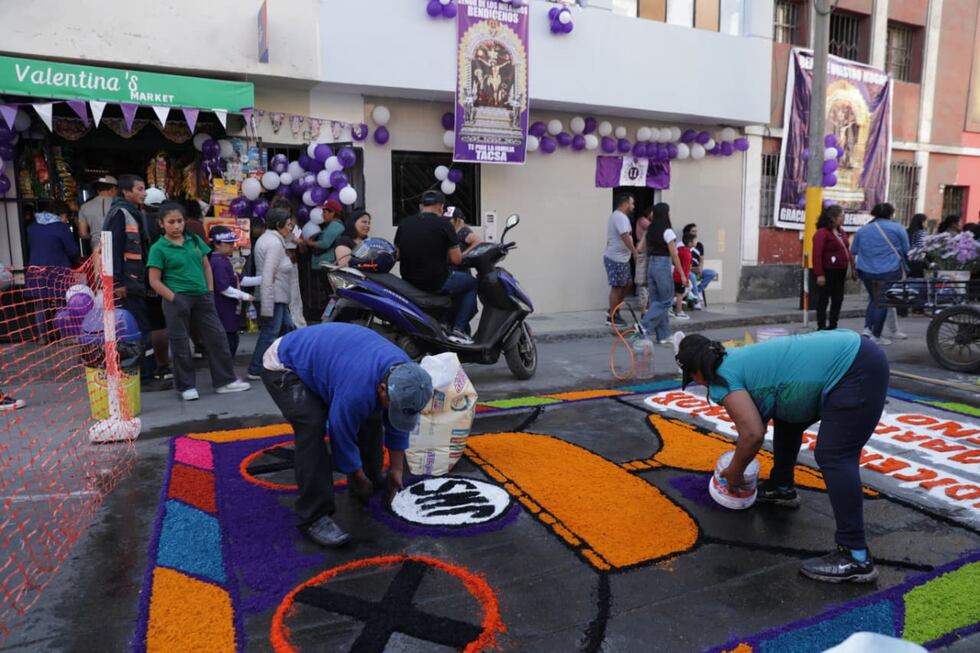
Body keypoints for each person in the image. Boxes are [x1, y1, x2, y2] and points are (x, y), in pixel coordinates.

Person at [675, 330, 888, 583]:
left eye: (693, 379)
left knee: (835, 455)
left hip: (854, 367)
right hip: (856, 354)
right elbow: (768, 407)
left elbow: (752, 434)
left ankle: (855, 555)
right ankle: (782, 487)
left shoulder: (721, 378)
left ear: (697, 372)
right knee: (788, 415)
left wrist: (734, 471)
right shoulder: (734, 357)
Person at [260, 323, 433, 547]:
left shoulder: (410, 377)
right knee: (311, 427)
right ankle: (313, 516)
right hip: (284, 364)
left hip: (330, 360)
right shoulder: (357, 390)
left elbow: (398, 421)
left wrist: (396, 471)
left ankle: (372, 477)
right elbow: (340, 433)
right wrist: (356, 474)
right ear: (382, 388)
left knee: (373, 413)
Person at [147, 202, 251, 401]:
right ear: (162, 224)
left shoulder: (194, 240)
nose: (176, 226)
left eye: (179, 221)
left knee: (217, 338)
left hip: (203, 297)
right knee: (180, 344)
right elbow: (154, 281)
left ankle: (225, 381)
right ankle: (186, 386)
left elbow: (206, 267)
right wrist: (174, 298)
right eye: (171, 222)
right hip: (176, 298)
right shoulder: (158, 248)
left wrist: (210, 292)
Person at [103, 174, 170, 389]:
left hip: (136, 281)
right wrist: (118, 282)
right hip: (128, 284)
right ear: (126, 192)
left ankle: (146, 372)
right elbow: (112, 249)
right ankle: (143, 377)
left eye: (144, 189)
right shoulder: (121, 213)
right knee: (137, 329)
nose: (144, 193)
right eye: (139, 189)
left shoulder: (132, 212)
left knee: (142, 327)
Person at [395, 190, 478, 336]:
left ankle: (444, 321)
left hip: (409, 282)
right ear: (441, 208)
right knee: (471, 283)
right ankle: (459, 328)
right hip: (436, 283)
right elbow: (456, 259)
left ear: (421, 206)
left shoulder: (404, 223)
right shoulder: (445, 225)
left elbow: (397, 255)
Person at [247, 208, 297, 380]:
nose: (290, 228)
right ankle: (256, 367)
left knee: (288, 329)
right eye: (289, 224)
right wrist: (267, 305)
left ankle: (284, 361)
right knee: (271, 332)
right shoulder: (274, 243)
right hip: (273, 296)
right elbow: (268, 275)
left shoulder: (269, 239)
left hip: (276, 296)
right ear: (278, 224)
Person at [850, 203, 909, 345]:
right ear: (891, 214)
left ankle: (867, 329)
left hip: (866, 270)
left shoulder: (863, 230)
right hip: (889, 270)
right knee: (881, 301)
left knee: (873, 299)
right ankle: (876, 335)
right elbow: (907, 249)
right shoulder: (897, 228)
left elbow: (854, 250)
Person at [25, 201, 81, 342]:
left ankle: (43, 338)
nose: (67, 220)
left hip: (36, 270)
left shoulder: (32, 228)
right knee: (62, 303)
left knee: (40, 304)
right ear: (61, 214)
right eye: (66, 216)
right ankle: (65, 336)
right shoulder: (61, 228)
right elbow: (72, 251)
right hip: (58, 270)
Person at [639, 203, 688, 344]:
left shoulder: (650, 230)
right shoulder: (668, 231)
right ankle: (644, 325)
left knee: (657, 301)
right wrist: (682, 274)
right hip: (662, 265)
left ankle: (663, 334)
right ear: (666, 214)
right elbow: (674, 254)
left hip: (651, 265)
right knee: (666, 301)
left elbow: (641, 249)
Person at [209, 226, 260, 357]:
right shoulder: (218, 262)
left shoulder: (224, 260)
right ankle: (226, 374)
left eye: (233, 243)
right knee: (228, 343)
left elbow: (240, 279)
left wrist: (263, 279)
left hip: (229, 311)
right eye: (228, 243)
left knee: (231, 340)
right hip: (223, 310)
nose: (232, 246)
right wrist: (245, 295)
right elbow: (223, 287)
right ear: (216, 244)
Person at [142, 187, 174, 384]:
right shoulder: (165, 224)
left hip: (145, 278)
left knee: (153, 325)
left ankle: (154, 364)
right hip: (167, 279)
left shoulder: (140, 220)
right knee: (161, 325)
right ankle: (163, 364)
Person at [811, 205, 855, 331]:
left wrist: (852, 268)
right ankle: (821, 326)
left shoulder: (841, 232)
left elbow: (846, 249)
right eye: (841, 216)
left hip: (841, 271)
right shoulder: (822, 233)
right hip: (827, 270)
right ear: (832, 217)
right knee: (824, 299)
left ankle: (833, 325)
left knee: (838, 298)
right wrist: (819, 274)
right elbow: (817, 254)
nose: (843, 218)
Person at [603, 194, 638, 327]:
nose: (633, 206)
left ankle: (614, 310)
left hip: (622, 259)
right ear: (625, 204)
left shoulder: (620, 217)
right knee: (617, 287)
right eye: (632, 203)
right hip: (615, 258)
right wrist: (634, 252)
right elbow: (625, 236)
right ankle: (612, 317)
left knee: (627, 284)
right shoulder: (619, 217)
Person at [77, 175, 117, 253]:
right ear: (112, 189)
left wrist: (95, 235)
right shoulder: (120, 205)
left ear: (98, 190)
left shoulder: (85, 207)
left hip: (97, 248)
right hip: (118, 245)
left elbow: (83, 234)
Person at [682, 223, 718, 309]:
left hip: (697, 269)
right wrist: (694, 269)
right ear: (688, 232)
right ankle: (696, 299)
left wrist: (700, 269)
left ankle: (697, 291)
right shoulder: (682, 245)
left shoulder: (699, 245)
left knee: (712, 273)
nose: (695, 233)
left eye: (696, 231)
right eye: (693, 231)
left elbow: (701, 259)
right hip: (688, 270)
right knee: (693, 276)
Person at [307, 199, 346, 269]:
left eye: (324, 212)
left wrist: (310, 243)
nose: (322, 215)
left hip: (326, 265)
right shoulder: (331, 225)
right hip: (323, 264)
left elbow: (325, 244)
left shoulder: (335, 225)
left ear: (332, 213)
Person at [671, 232, 695, 321]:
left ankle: (671, 309)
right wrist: (686, 279)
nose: (696, 242)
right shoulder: (687, 254)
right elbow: (686, 268)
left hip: (675, 275)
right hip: (681, 277)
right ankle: (679, 311)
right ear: (690, 243)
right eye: (694, 240)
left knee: (674, 293)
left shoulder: (680, 249)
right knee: (679, 295)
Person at [906, 213, 928, 278]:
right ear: (922, 222)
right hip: (918, 260)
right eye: (926, 221)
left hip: (908, 260)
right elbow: (922, 248)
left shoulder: (908, 231)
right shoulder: (922, 232)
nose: (927, 223)